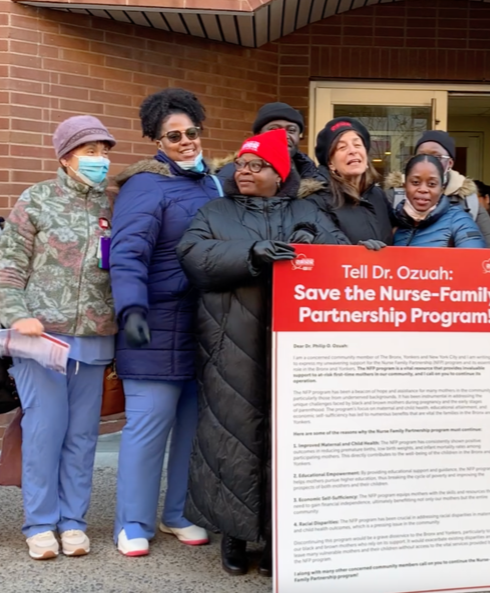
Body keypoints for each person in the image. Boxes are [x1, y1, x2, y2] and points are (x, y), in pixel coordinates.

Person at [177, 128, 348, 578]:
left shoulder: (307, 210)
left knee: (284, 442)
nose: (244, 172)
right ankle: (234, 535)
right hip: (230, 341)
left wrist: (325, 246)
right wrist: (250, 253)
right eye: (241, 164)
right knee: (231, 436)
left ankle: (277, 537)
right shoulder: (216, 211)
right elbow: (194, 255)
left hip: (294, 346)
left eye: (257, 165)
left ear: (279, 173)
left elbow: (339, 253)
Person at [0, 115, 119, 560]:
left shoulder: (112, 205)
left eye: (104, 152)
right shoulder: (37, 200)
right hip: (43, 341)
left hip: (96, 337)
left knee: (83, 436)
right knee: (45, 431)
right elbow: (8, 266)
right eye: (90, 152)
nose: (99, 160)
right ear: (66, 157)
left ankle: (74, 521)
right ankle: (40, 523)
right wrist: (17, 315)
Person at [109, 88, 220, 557]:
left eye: (191, 132)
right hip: (154, 324)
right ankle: (132, 522)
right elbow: (127, 252)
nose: (185, 141)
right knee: (148, 427)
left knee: (193, 431)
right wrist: (131, 309)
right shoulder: (145, 186)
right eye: (173, 135)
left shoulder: (212, 184)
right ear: (156, 139)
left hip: (205, 326)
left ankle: (179, 512)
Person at [307, 117, 394, 249]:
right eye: (342, 147)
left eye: (357, 145)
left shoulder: (379, 196)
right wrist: (355, 254)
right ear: (331, 163)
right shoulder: (317, 201)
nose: (353, 151)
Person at [413, 131, 490, 247]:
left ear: (450, 163)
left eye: (436, 157)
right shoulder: (395, 197)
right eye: (421, 156)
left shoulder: (469, 202)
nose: (427, 161)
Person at [388, 155, 486, 248]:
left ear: (442, 189)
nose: (423, 189)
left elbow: (474, 262)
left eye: (432, 184)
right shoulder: (394, 220)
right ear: (404, 185)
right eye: (415, 182)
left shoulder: (460, 222)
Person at [217, 102, 320, 183]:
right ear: (258, 135)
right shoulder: (231, 175)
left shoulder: (313, 176)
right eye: (274, 129)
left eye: (291, 130)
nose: (284, 136)